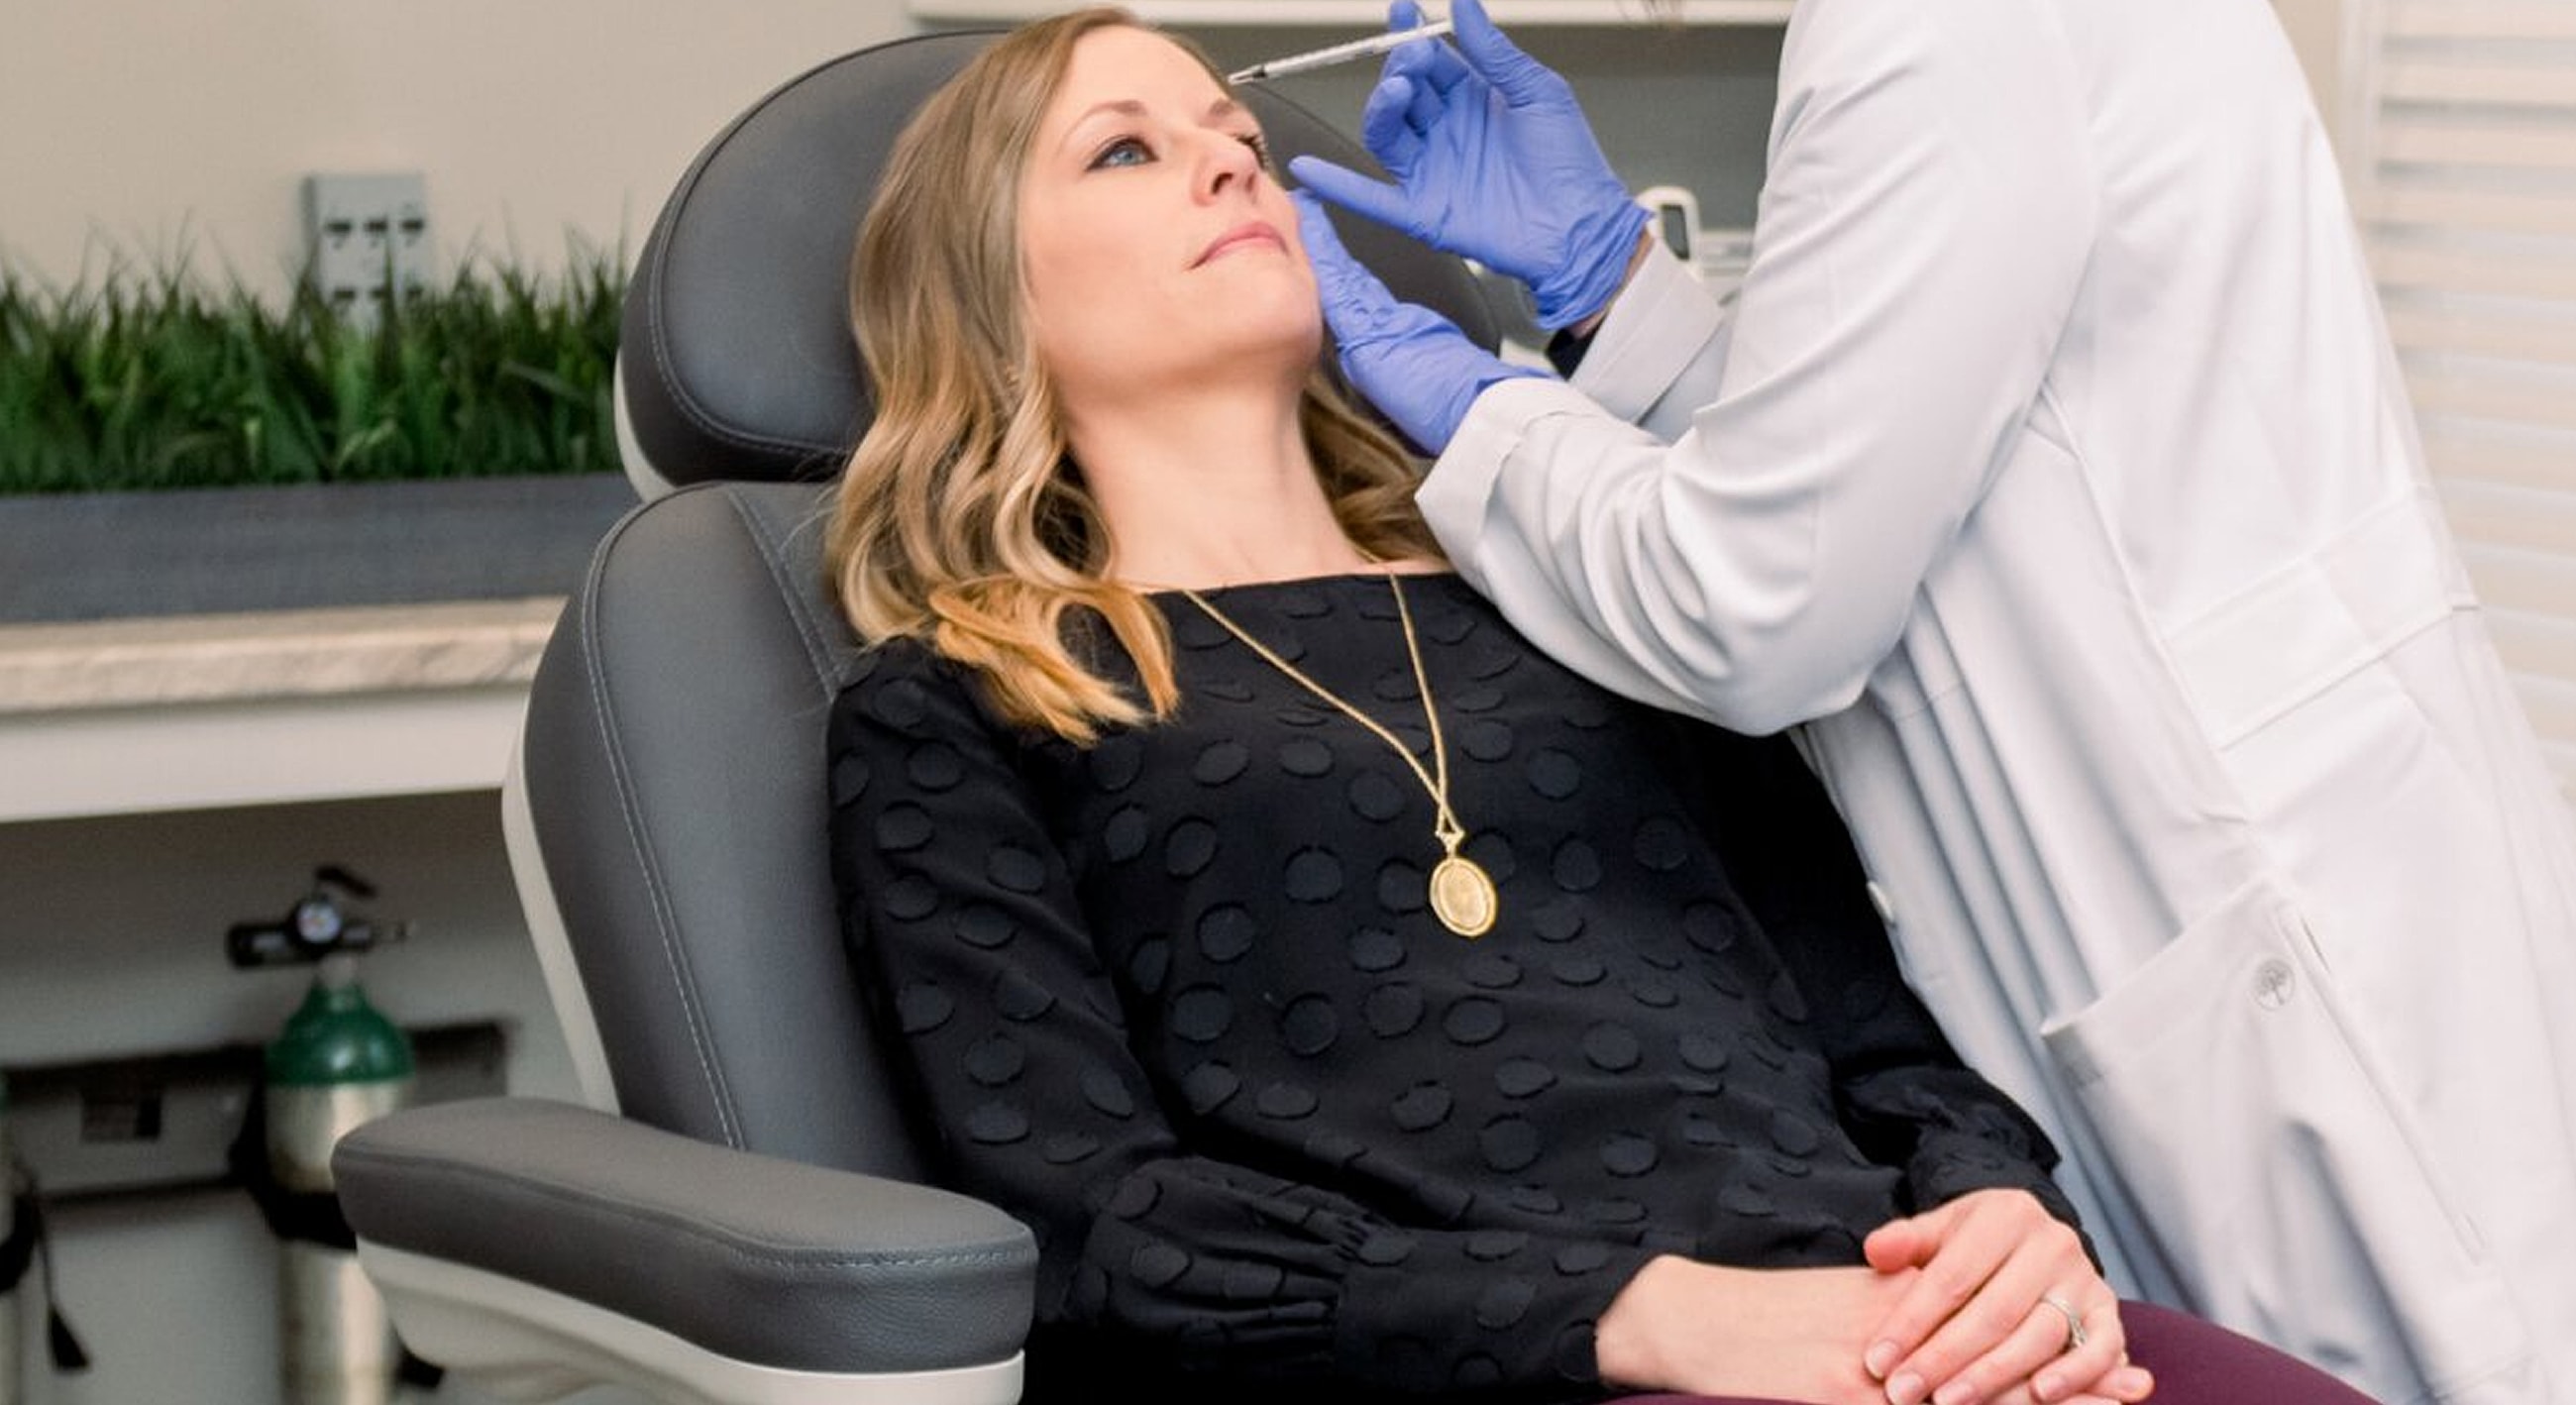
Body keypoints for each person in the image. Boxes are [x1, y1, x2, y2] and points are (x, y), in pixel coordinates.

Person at [817, 11, 2384, 1405]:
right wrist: (1661, 1320)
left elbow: (1883, 1046)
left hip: (1910, 1328)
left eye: (1236, 134)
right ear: (986, 293)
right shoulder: (958, 702)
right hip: (1541, 1362)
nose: (1233, 165)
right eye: (1127, 152)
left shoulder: (1572, 574)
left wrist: (2000, 1221)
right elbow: (1108, 1229)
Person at [1280, 1, 2576, 1402]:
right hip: (2209, 859)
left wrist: (1483, 420)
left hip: (2265, 922)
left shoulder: (1939, 28)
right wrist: (1618, 299)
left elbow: (1761, 603)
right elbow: (1895, 463)